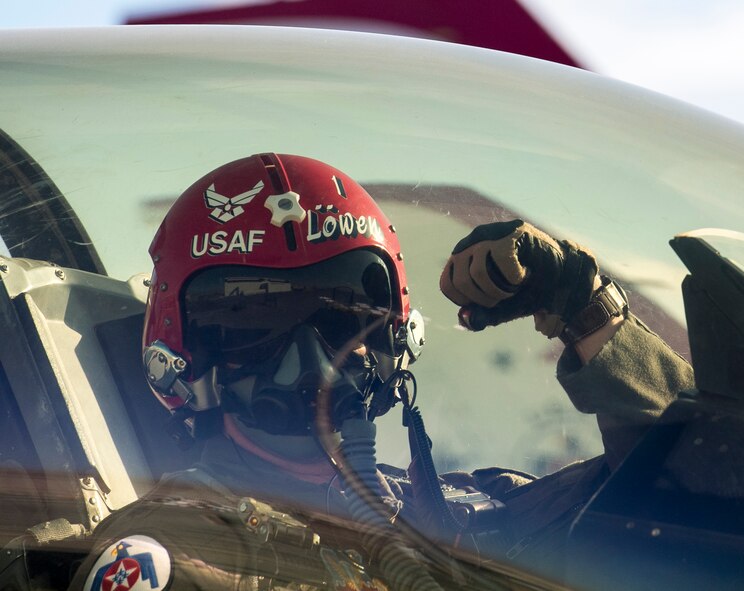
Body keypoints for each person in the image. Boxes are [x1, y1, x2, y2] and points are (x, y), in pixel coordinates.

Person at [67, 153, 693, 589]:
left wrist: (584, 309)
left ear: (395, 334)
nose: (311, 360)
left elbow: (695, 484)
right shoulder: (174, 551)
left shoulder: (458, 509)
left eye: (344, 316)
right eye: (253, 324)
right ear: (184, 353)